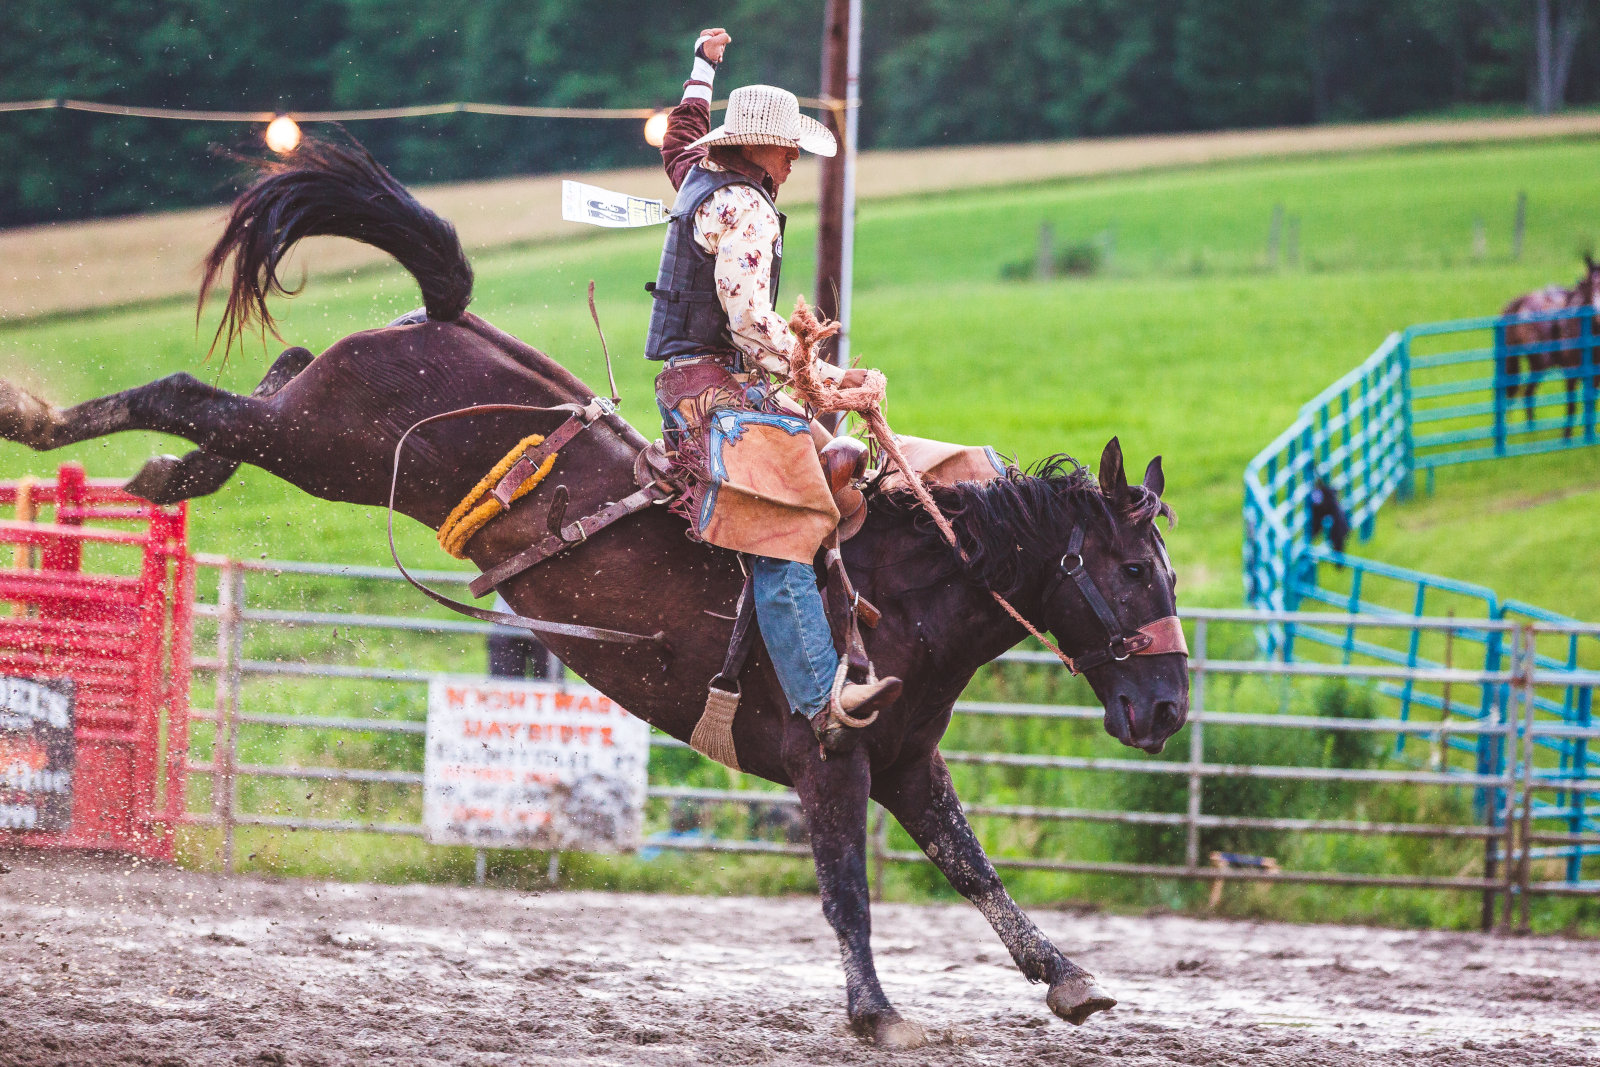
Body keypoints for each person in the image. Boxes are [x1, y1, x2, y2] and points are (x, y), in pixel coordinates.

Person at [648, 28, 900, 745]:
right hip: (711, 387)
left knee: (838, 470)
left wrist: (701, 66)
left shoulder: (700, 174)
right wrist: (829, 384)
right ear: (758, 146)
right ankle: (823, 698)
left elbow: (679, 137)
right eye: (787, 147)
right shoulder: (746, 210)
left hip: (696, 379)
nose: (793, 159)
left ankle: (840, 611)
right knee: (783, 523)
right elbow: (755, 326)